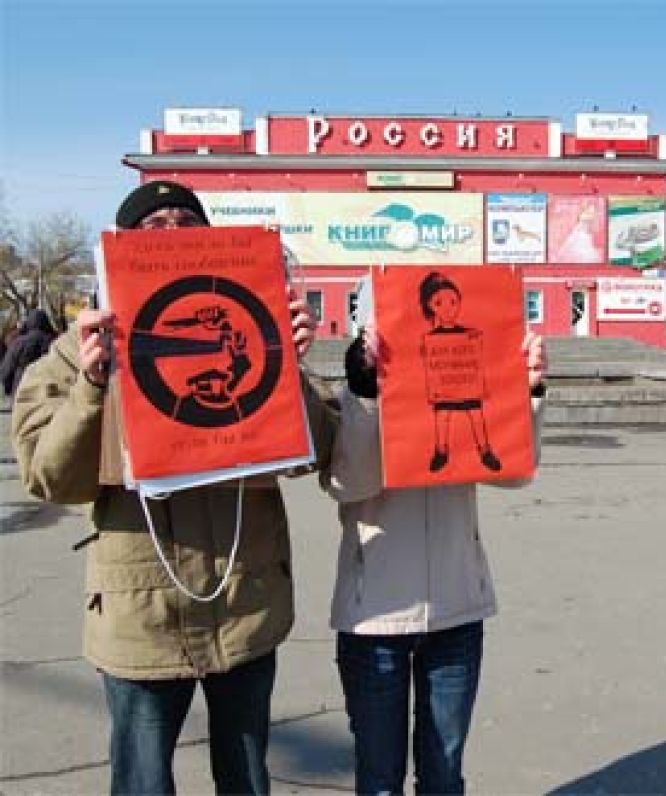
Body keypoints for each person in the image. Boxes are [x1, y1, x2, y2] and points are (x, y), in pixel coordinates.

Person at [11, 180, 338, 795]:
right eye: (152, 223)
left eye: (186, 218)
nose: (172, 229)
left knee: (245, 780)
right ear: (122, 249)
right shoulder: (66, 356)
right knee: (142, 784)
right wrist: (91, 385)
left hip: (247, 604)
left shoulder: (250, 329)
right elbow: (49, 477)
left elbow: (316, 455)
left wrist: (285, 369)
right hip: (141, 614)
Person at [325, 318, 547, 795]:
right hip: (375, 622)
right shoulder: (355, 394)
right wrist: (367, 392)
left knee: (444, 774)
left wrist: (526, 393)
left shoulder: (462, 374)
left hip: (456, 613)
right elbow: (347, 484)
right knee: (380, 778)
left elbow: (514, 472)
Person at [419, 271, 501, 473]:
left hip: (466, 384)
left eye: (453, 302)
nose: (447, 308)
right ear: (430, 307)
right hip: (445, 385)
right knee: (443, 415)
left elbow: (476, 360)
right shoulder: (431, 338)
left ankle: (485, 451)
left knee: (475, 413)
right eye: (439, 303)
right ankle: (441, 451)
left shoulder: (468, 334)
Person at [0, 307, 57, 396]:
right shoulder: (54, 342)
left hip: (21, 390)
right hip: (48, 391)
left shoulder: (18, 343)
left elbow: (7, 369)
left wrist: (9, 389)